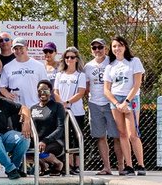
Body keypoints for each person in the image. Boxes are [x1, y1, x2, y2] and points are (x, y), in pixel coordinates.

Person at [104, 35, 147, 176]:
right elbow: (106, 90)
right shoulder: (110, 66)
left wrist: (126, 102)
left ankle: (140, 165)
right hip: (115, 101)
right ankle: (129, 166)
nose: (117, 48)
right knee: (122, 134)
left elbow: (137, 84)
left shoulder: (134, 62)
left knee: (132, 134)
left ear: (125, 46)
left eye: (120, 45)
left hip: (131, 99)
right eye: (114, 46)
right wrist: (116, 103)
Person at [84, 38, 122, 175]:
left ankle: (121, 167)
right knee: (101, 136)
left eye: (100, 47)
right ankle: (107, 167)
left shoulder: (112, 62)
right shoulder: (88, 66)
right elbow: (86, 87)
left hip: (110, 102)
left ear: (105, 48)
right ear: (91, 50)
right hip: (94, 103)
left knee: (116, 136)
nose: (97, 50)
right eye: (94, 48)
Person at [52, 46, 87, 175]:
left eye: (72, 57)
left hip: (76, 112)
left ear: (77, 59)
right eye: (67, 57)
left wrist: (67, 102)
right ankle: (68, 164)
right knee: (64, 137)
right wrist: (61, 103)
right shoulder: (59, 74)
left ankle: (77, 165)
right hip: (62, 111)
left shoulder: (80, 75)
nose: (69, 59)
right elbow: (55, 91)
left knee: (76, 138)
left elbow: (81, 92)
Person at [29, 80, 68, 175]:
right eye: (40, 90)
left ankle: (58, 164)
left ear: (50, 92)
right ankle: (44, 166)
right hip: (38, 142)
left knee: (40, 151)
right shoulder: (33, 108)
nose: (42, 93)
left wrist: (45, 141)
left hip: (54, 141)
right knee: (24, 151)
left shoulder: (57, 106)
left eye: (45, 90)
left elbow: (60, 128)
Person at [0, 38, 47, 106]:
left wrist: (43, 101)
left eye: (21, 48)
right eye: (16, 49)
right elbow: (2, 87)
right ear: (13, 50)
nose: (18, 51)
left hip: (35, 106)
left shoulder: (39, 66)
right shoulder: (7, 67)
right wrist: (7, 94)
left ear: (26, 48)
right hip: (16, 107)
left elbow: (45, 86)